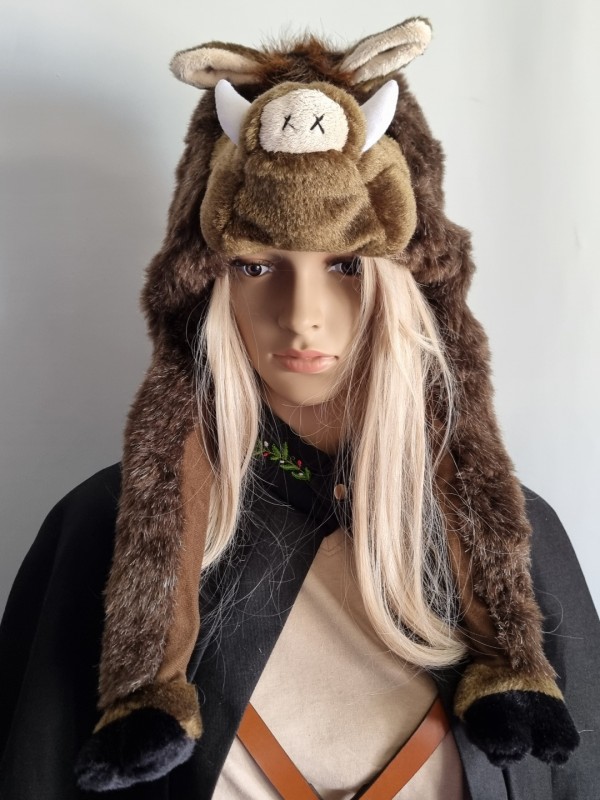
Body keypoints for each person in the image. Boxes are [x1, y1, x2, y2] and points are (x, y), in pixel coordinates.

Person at [1, 17, 599, 800]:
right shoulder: (98, 532)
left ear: (406, 284)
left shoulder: (524, 542)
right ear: (206, 286)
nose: (302, 315)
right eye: (256, 266)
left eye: (346, 265)